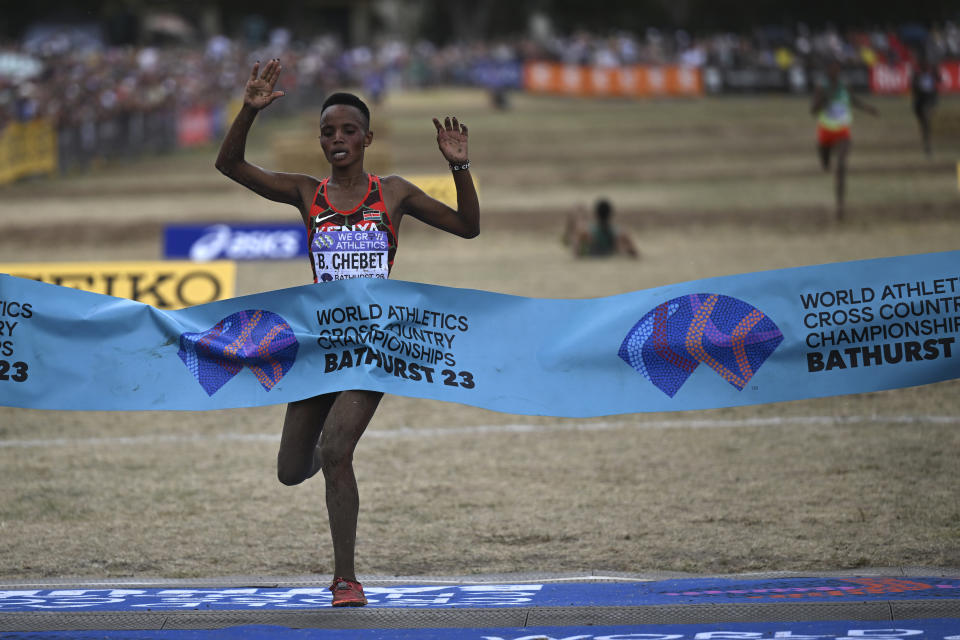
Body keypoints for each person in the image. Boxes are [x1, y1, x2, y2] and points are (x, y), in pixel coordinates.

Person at [215, 58, 479, 607]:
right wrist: (249, 110)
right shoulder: (306, 193)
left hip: (372, 349)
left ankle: (345, 579)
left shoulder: (395, 193)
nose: (338, 139)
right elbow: (230, 163)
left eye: (348, 131)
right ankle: (331, 467)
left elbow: (467, 227)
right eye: (328, 132)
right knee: (292, 471)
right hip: (319, 348)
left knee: (336, 452)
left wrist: (459, 168)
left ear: (367, 138)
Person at [810, 60, 879, 221]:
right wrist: (822, 102)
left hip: (842, 131)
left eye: (837, 69)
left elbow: (853, 100)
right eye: (831, 69)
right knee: (826, 162)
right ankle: (825, 160)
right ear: (827, 71)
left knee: (841, 166)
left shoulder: (844, 85)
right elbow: (812, 110)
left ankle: (840, 203)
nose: (834, 71)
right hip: (826, 131)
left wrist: (869, 109)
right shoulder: (822, 87)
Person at [564, 198, 638, 258]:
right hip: (612, 257)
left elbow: (576, 254)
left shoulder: (585, 232)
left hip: (592, 258)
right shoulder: (621, 233)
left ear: (595, 213)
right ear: (611, 214)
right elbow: (635, 254)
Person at [911, 52, 940, 156]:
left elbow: (939, 80)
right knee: (924, 125)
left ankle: (928, 146)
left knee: (927, 122)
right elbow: (913, 86)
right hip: (920, 100)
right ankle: (926, 143)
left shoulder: (931, 72)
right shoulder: (917, 73)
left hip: (929, 100)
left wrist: (935, 73)